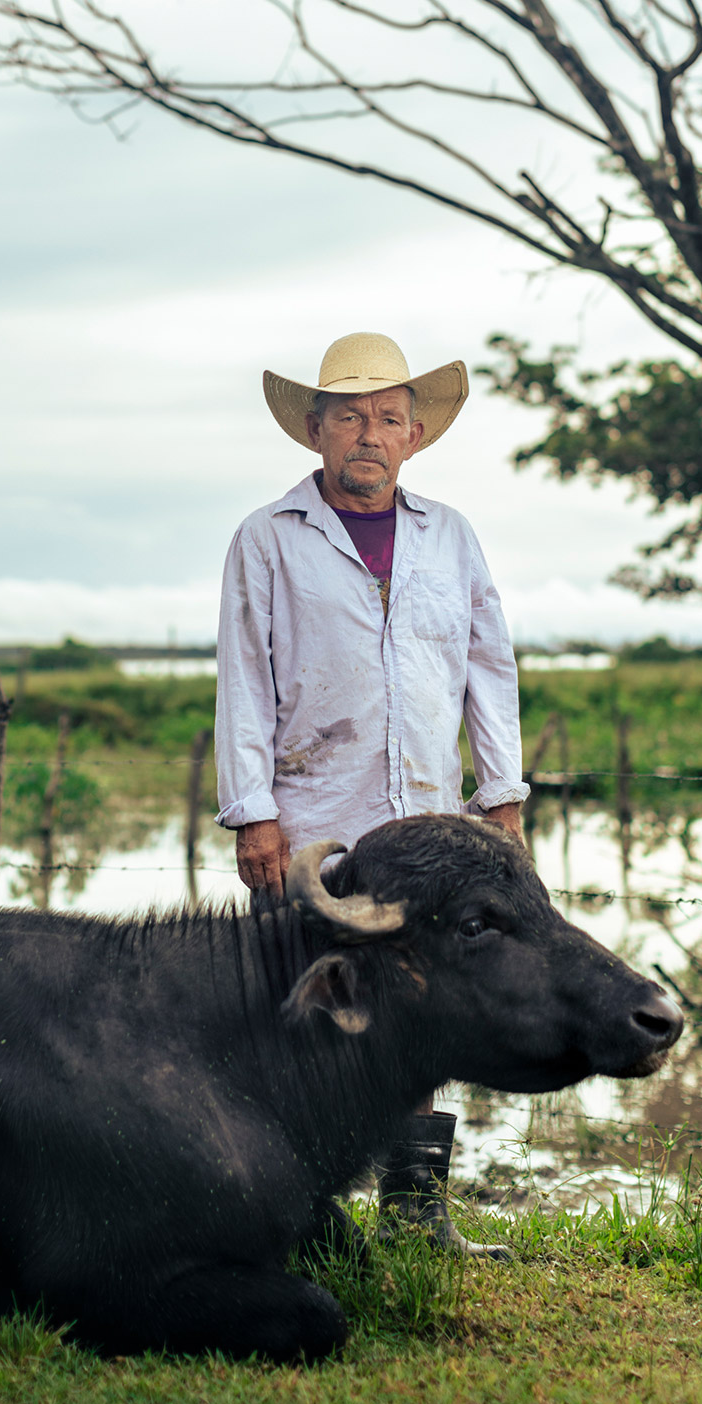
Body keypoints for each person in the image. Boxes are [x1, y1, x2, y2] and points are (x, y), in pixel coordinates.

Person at [214, 330, 527, 1254]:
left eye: (388, 418)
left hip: (427, 814)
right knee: (312, 1000)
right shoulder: (268, 539)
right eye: (348, 416)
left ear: (415, 436)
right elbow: (245, 676)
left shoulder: (450, 536)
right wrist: (255, 811)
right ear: (313, 431)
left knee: (423, 996)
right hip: (312, 813)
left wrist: (500, 793)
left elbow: (486, 665)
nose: (368, 434)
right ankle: (302, 1210)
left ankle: (416, 1213)